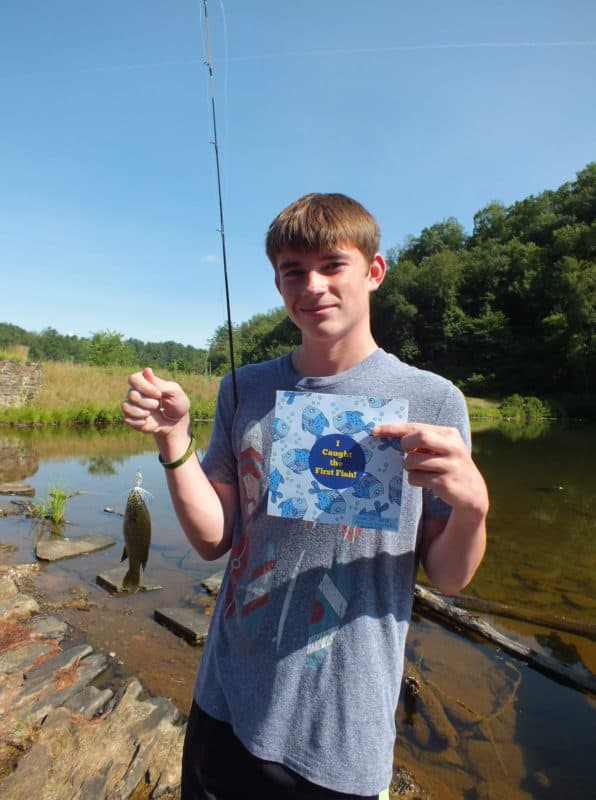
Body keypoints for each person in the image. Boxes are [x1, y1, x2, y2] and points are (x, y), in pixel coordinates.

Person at [122, 193, 488, 800]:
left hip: (342, 729)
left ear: (374, 272)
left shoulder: (433, 400)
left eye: (331, 264)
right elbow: (214, 538)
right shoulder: (244, 388)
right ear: (278, 283)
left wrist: (473, 506)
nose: (312, 284)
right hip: (226, 698)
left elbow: (448, 577)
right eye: (294, 271)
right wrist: (174, 440)